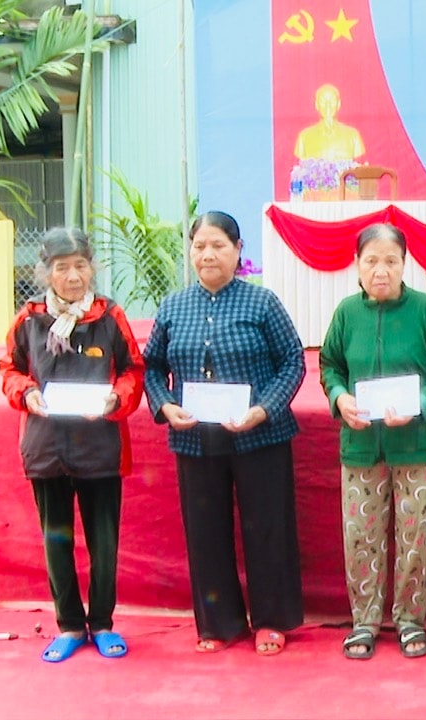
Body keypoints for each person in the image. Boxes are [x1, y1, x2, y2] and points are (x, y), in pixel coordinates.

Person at [144, 211, 307, 656]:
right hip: (195, 438)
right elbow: (152, 366)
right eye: (199, 246)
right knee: (205, 531)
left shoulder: (262, 303)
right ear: (190, 252)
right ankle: (218, 621)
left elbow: (293, 361)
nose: (208, 254)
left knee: (267, 529)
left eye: (218, 245)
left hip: (259, 436)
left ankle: (271, 620)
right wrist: (164, 404)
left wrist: (263, 409)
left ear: (238, 250)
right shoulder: (174, 307)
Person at [319, 223, 426, 660]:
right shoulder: (347, 313)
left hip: (420, 446)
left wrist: (422, 401)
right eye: (371, 261)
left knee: (418, 537)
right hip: (362, 446)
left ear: (405, 264)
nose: (381, 270)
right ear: (357, 266)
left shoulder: (425, 311)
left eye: (391, 260)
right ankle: (364, 621)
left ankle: (409, 620)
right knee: (361, 536)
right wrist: (339, 397)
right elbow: (329, 364)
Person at [0, 228, 145, 663]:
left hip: (100, 447)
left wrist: (116, 397)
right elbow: (10, 368)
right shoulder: (28, 319)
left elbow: (134, 369)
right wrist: (26, 393)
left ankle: (101, 623)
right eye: (62, 267)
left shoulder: (109, 316)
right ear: (46, 272)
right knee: (55, 539)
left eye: (80, 265)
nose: (73, 275)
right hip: (46, 448)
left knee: (104, 542)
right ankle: (68, 624)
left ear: (92, 267)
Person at [294, 83, 366, 162]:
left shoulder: (353, 135)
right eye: (323, 101)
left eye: (332, 101)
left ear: (338, 104)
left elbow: (360, 165)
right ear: (316, 105)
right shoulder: (304, 137)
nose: (328, 105)